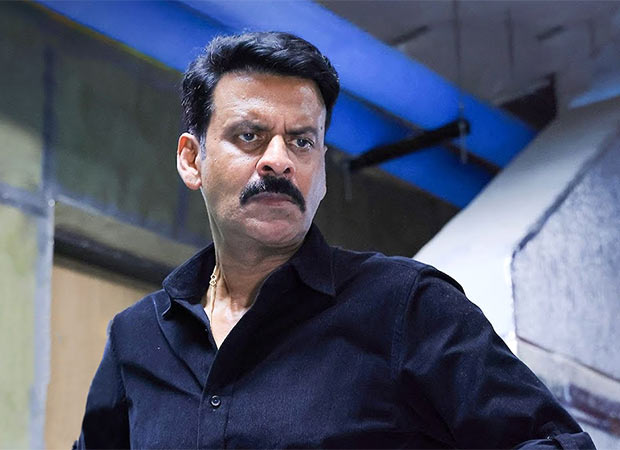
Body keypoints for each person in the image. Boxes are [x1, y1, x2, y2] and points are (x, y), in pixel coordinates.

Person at [74, 32, 595, 449]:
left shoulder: (407, 307)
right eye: (250, 136)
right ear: (192, 160)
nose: (279, 160)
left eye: (302, 141)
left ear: (321, 171)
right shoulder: (136, 339)